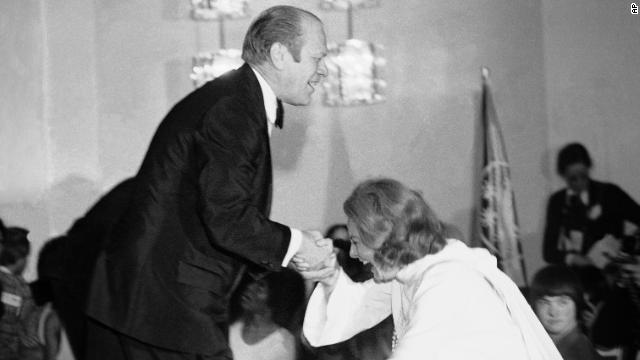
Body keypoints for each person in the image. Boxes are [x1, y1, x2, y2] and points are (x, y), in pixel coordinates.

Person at [85, 5, 332, 360]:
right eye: (317, 57)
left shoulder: (234, 99)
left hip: (163, 305)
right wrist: (297, 245)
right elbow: (227, 217)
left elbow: (216, 214)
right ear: (280, 54)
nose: (323, 71)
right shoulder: (233, 109)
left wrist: (294, 250)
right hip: (167, 306)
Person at [297, 178, 562, 360]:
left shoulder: (448, 281)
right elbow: (357, 307)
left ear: (385, 240)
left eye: (356, 242)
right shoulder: (411, 272)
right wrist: (330, 275)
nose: (353, 254)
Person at [542, 143, 640, 267]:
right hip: (580, 273)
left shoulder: (610, 192)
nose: (579, 183)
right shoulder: (558, 201)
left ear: (589, 168)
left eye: (583, 176)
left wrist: (628, 249)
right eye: (573, 178)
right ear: (563, 175)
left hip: (612, 271)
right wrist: (572, 258)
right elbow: (548, 252)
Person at [227, 269, 304, 360]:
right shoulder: (232, 322)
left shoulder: (282, 346)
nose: (250, 287)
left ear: (275, 298)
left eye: (260, 287)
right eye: (253, 282)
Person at [530, 265, 603, 360]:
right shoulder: (539, 344)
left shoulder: (578, 351)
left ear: (577, 304)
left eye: (562, 303)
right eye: (544, 303)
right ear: (534, 307)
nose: (553, 312)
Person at [0, 227, 39, 360]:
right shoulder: (22, 288)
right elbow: (26, 318)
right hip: (9, 349)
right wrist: (26, 331)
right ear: (22, 258)